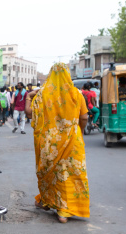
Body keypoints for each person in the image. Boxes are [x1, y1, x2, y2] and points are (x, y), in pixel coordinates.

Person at [25, 63, 90, 223]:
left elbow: (29, 113)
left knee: (51, 173)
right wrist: (79, 131)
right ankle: (65, 210)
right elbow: (84, 117)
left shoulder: (42, 95)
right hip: (72, 141)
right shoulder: (76, 94)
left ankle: (49, 202)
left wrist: (28, 96)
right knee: (71, 173)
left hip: (49, 143)